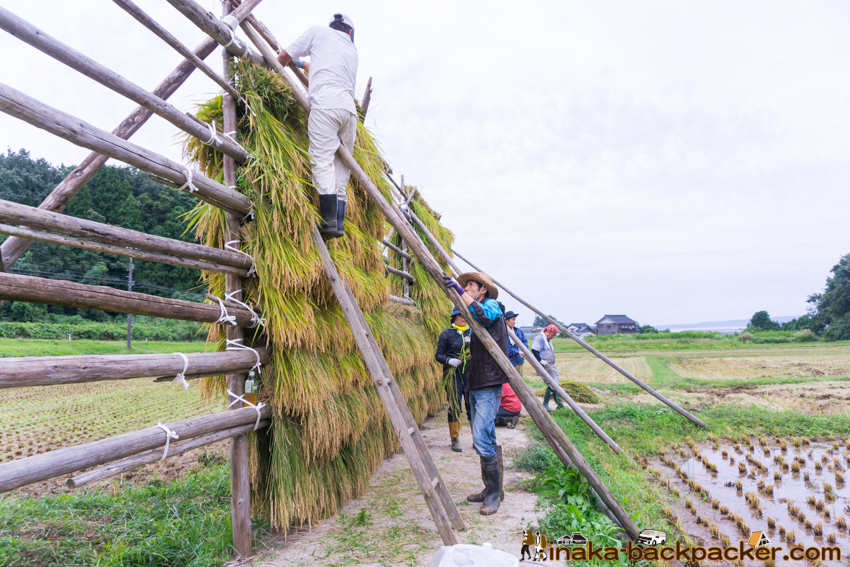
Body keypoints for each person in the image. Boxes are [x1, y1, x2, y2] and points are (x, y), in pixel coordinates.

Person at [278, 14, 358, 239]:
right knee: (342, 167)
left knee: (322, 159)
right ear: (349, 33)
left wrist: (277, 66)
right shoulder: (352, 51)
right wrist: (299, 63)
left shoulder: (317, 31)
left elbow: (283, 56)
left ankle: (329, 221)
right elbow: (314, 65)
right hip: (348, 113)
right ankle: (338, 223)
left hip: (325, 106)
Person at [442, 271, 509, 515]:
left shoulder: (491, 305)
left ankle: (493, 494)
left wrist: (460, 293)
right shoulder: (472, 311)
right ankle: (491, 488)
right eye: (465, 285)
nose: (466, 288)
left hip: (489, 381)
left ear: (482, 289)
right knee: (486, 436)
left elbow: (485, 316)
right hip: (477, 380)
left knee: (481, 437)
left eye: (470, 285)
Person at [434, 307, 471, 452]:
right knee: (454, 405)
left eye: (465, 315)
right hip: (452, 375)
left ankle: (477, 438)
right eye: (460, 315)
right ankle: (455, 439)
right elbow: (438, 356)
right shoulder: (447, 334)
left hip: (469, 375)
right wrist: (449, 360)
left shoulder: (472, 333)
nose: (463, 318)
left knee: (471, 404)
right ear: (454, 317)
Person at [532, 324, 564, 411]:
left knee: (555, 383)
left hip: (550, 364)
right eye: (552, 335)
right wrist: (540, 360)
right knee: (552, 383)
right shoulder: (540, 338)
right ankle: (546, 403)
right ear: (548, 332)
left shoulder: (547, 339)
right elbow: (534, 350)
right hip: (544, 364)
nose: (553, 337)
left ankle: (559, 403)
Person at [504, 311, 527, 376]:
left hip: (519, 361)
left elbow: (525, 342)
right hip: (509, 361)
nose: (514, 322)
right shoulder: (503, 332)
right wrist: (517, 351)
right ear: (506, 321)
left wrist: (523, 349)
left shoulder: (519, 331)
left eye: (515, 319)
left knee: (520, 380)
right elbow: (506, 347)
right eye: (513, 320)